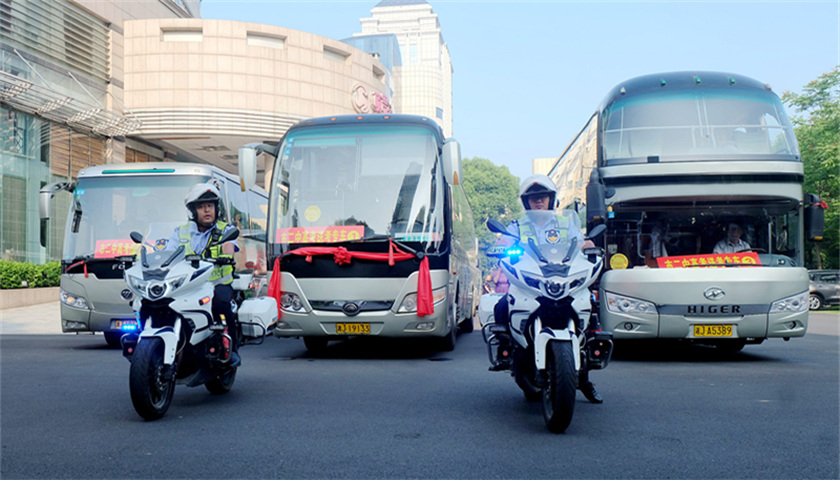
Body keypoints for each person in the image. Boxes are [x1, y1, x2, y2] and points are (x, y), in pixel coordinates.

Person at [489, 174, 603, 404]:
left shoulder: (565, 224)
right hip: (530, 283)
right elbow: (506, 242)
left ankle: (584, 377)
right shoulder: (517, 226)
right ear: (526, 202)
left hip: (562, 279)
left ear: (552, 199)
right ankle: (506, 350)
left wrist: (590, 246)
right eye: (533, 198)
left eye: (543, 196)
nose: (538, 201)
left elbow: (582, 242)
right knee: (501, 307)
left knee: (591, 310)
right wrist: (500, 247)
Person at [165, 182, 241, 367]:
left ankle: (233, 350)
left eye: (210, 205)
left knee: (221, 303)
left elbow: (229, 248)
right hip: (188, 285)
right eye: (201, 206)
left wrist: (226, 256)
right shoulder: (181, 232)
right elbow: (168, 253)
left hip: (217, 285)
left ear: (216, 208)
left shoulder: (226, 230)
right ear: (194, 211)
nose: (207, 210)